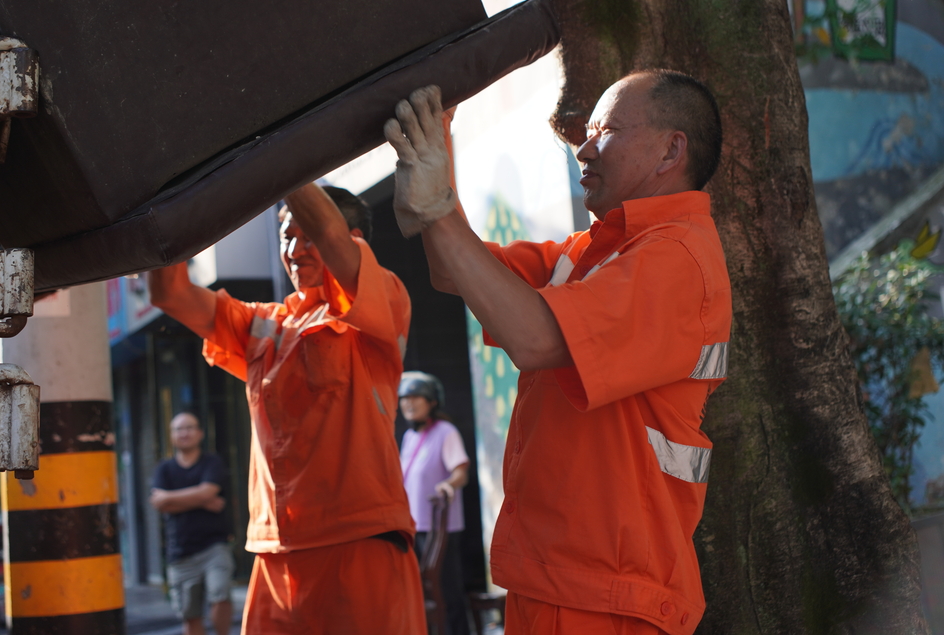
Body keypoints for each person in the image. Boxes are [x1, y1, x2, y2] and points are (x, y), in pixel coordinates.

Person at [384, 70, 731, 635]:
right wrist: (436, 140)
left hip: (609, 592)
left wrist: (437, 205)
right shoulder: (593, 252)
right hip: (562, 578)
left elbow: (535, 339)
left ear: (672, 149)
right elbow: (455, 270)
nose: (585, 148)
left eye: (607, 131)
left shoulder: (678, 259)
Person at [147, 184, 426, 634]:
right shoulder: (264, 325)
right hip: (275, 553)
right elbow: (170, 294)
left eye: (306, 236)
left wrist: (281, 167)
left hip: (357, 543)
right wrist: (169, 197)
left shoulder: (379, 305)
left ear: (354, 238)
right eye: (284, 235)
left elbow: (335, 241)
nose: (294, 250)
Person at [398, 371, 471, 635]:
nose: (409, 403)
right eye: (404, 398)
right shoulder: (409, 437)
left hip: (442, 529)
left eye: (416, 397)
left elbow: (461, 472)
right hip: (415, 526)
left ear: (432, 401)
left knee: (447, 591)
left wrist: (447, 485)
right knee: (422, 593)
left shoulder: (446, 432)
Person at [151, 411, 235, 635]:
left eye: (189, 428)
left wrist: (170, 498)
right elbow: (158, 504)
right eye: (179, 429)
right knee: (190, 615)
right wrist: (201, 500)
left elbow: (208, 491)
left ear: (200, 433)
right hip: (180, 551)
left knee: (221, 595)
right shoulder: (164, 468)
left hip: (214, 546)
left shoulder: (212, 462)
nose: (184, 433)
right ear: (172, 435)